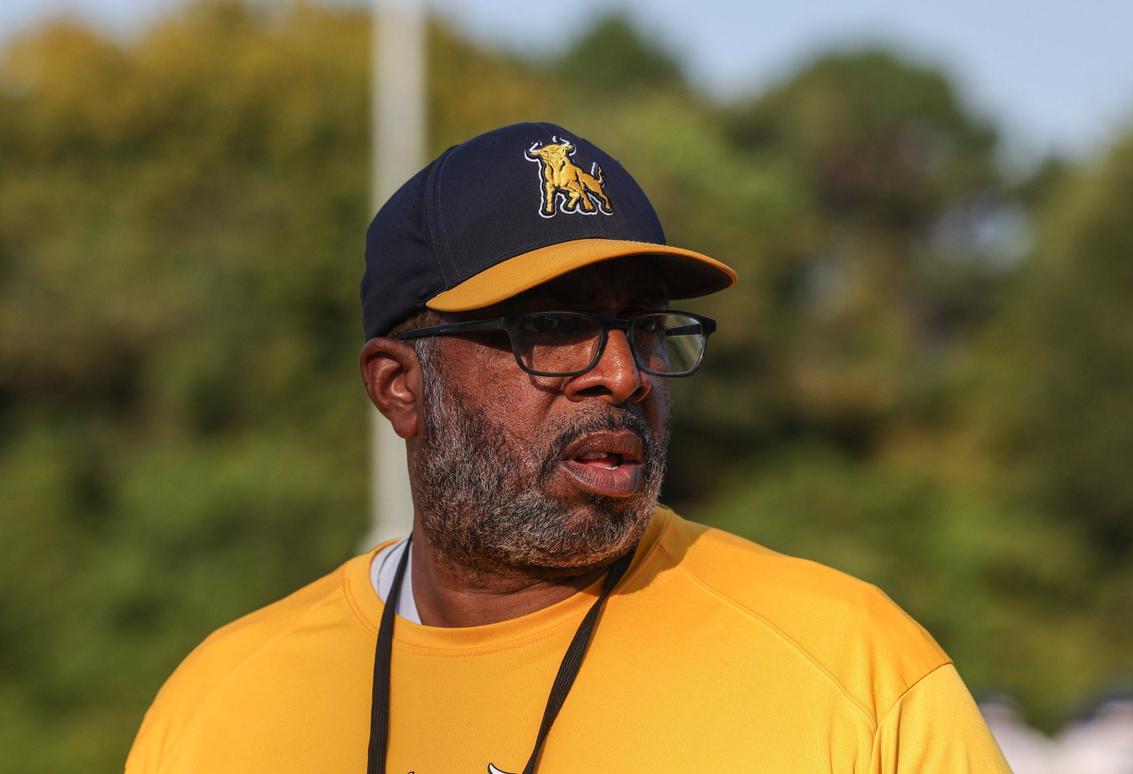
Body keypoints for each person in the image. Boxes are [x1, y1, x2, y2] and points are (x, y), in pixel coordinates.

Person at [126, 122, 1010, 773]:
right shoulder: (220, 713)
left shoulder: (857, 675)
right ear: (398, 386)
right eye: (552, 327)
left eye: (645, 326)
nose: (623, 374)